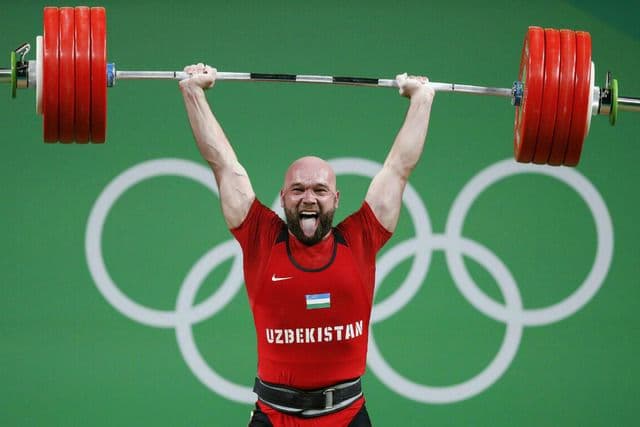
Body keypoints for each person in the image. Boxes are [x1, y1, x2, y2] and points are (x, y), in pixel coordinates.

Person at [179, 63, 435, 427]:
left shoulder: (360, 239)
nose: (308, 198)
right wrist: (193, 92)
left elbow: (399, 168)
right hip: (274, 416)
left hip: (346, 416)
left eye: (319, 190)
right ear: (283, 197)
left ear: (336, 198)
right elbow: (222, 163)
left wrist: (421, 99)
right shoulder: (260, 238)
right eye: (298, 190)